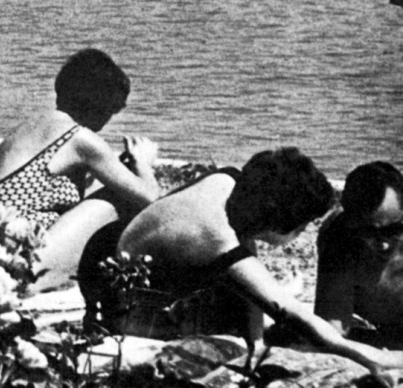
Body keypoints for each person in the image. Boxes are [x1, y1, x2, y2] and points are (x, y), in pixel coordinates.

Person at [80, 148, 403, 381]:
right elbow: (292, 313)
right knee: (240, 332)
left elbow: (243, 248)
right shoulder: (217, 238)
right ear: (278, 222)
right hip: (116, 294)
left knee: (254, 314)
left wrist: (258, 332)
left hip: (107, 249)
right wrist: (370, 356)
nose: (304, 232)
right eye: (301, 226)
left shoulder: (229, 183)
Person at [0, 48, 160, 290]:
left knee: (114, 190)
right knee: (119, 199)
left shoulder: (36, 126)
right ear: (101, 106)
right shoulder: (80, 139)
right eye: (111, 112)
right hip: (18, 262)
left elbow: (51, 195)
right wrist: (144, 164)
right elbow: (151, 200)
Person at [316, 161, 403, 346]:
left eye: (393, 229)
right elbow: (333, 324)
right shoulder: (338, 237)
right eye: (369, 231)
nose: (385, 244)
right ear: (351, 224)